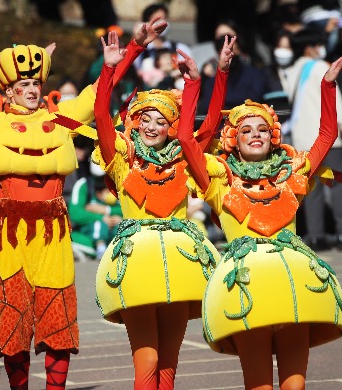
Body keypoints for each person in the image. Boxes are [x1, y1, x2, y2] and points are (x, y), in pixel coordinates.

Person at [0, 5, 166, 389]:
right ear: (9, 90)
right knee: (12, 322)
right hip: (9, 234)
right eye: (23, 85)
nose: (31, 90)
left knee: (57, 319)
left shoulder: (61, 117)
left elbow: (99, 93)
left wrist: (130, 50)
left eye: (35, 83)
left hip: (53, 233)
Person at [178, 51, 342, 390]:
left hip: (295, 288)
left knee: (295, 387)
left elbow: (327, 136)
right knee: (257, 385)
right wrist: (201, 81)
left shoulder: (291, 175)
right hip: (245, 291)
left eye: (263, 128)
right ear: (233, 139)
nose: (256, 134)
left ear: (273, 135)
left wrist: (327, 86)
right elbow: (187, 139)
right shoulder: (219, 180)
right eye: (246, 129)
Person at [93, 30, 233, 389]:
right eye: (147, 119)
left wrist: (213, 76)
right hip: (137, 265)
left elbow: (207, 127)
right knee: (149, 360)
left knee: (169, 365)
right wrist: (110, 71)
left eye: (162, 121)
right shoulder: (121, 160)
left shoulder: (183, 164)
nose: (153, 126)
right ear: (136, 121)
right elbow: (102, 116)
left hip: (182, 263)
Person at [286, 28, 342, 250]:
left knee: (312, 187)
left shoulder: (294, 70)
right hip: (327, 138)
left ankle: (316, 235)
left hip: (303, 138)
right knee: (338, 184)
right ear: (309, 47)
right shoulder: (322, 67)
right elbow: (335, 100)